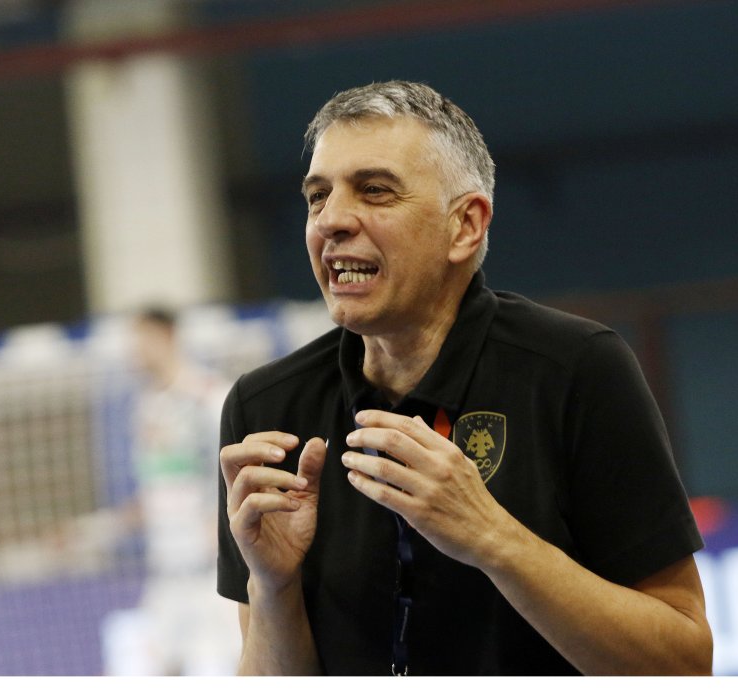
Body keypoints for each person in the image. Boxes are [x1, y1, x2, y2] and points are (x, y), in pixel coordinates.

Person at [217, 81, 712, 675]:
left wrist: (492, 538)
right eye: (317, 197)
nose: (332, 221)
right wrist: (274, 586)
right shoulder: (266, 408)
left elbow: (684, 664)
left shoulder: (575, 370)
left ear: (465, 226)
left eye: (374, 190)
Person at [86, 307, 240, 674]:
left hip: (213, 572)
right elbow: (159, 490)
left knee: (223, 668)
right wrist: (104, 527)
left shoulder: (209, 396)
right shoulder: (146, 407)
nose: (134, 351)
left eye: (141, 340)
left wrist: (222, 527)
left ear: (166, 336)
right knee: (143, 668)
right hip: (166, 571)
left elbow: (237, 470)